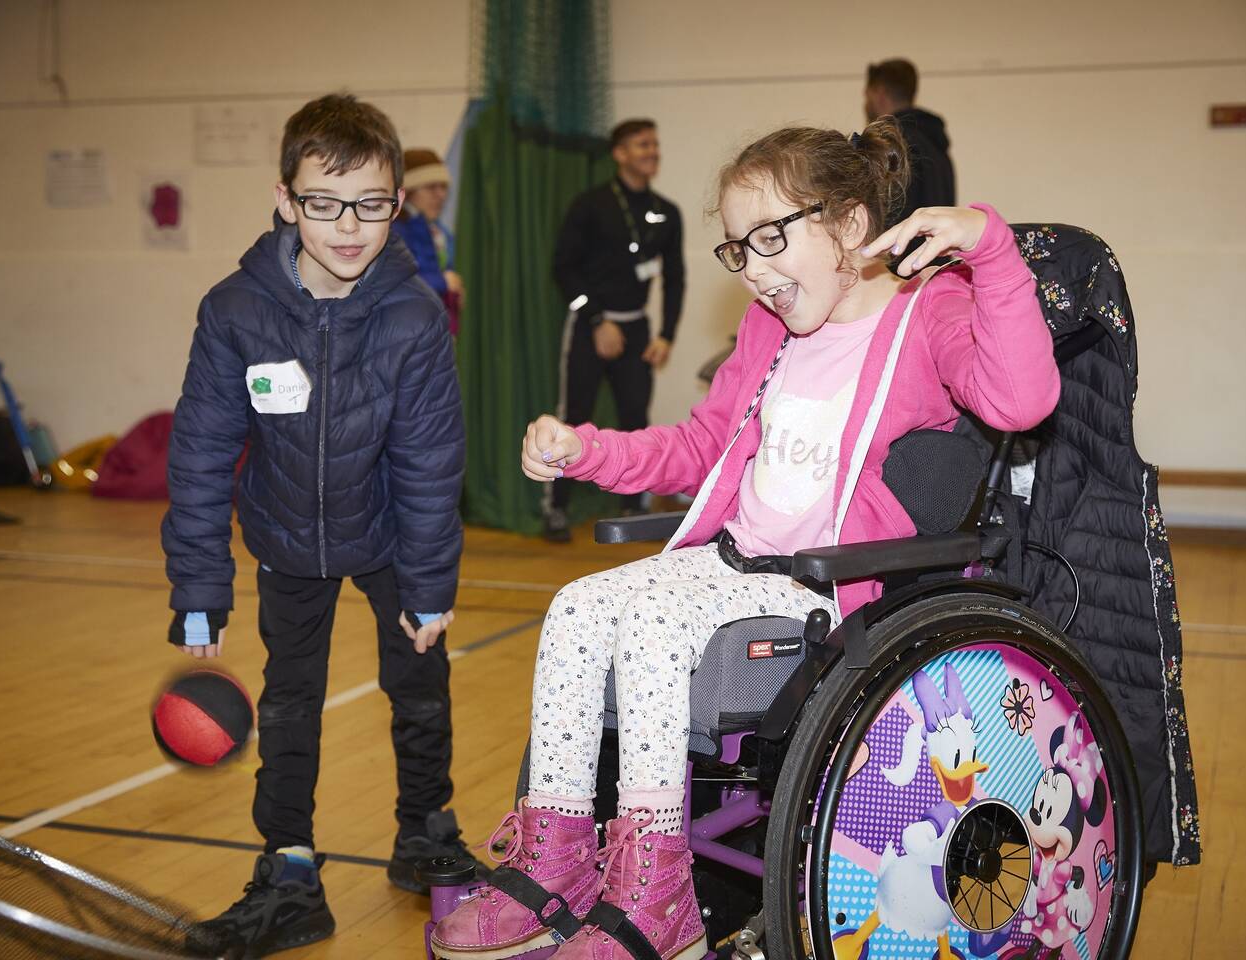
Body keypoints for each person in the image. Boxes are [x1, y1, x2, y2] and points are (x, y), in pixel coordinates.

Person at [429, 118, 1060, 960]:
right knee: (577, 605)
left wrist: (990, 245)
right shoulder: (770, 333)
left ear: (850, 225)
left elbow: (1021, 403)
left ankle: (658, 893)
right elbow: (700, 445)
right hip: (734, 565)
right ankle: (559, 864)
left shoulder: (928, 313)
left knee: (650, 624)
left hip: (822, 588)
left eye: (771, 239)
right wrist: (591, 449)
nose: (757, 272)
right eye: (739, 250)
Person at [160, 93, 477, 957]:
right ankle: (290, 870)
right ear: (286, 198)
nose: (348, 226)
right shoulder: (234, 311)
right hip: (285, 539)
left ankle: (425, 835)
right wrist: (198, 587)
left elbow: (429, 462)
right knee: (291, 703)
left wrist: (429, 586)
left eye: (371, 205)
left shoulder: (414, 318)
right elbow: (198, 454)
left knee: (418, 687)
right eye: (325, 203)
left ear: (396, 205)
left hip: (388, 537)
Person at [545, 118, 685, 542]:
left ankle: (632, 507)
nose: (652, 152)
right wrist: (596, 321)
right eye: (642, 145)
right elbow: (563, 269)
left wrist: (666, 335)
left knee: (635, 420)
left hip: (638, 330)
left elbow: (675, 278)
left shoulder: (666, 212)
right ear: (620, 153)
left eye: (655, 144)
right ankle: (557, 508)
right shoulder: (590, 205)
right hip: (592, 327)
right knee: (575, 419)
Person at [865, 58, 956, 216]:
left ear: (879, 93)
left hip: (899, 240)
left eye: (867, 96)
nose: (865, 104)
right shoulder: (937, 146)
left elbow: (888, 214)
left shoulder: (891, 143)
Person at [392, 147, 463, 336]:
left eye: (443, 186)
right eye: (431, 187)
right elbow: (395, 282)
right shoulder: (395, 231)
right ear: (409, 191)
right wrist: (443, 281)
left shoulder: (440, 232)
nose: (441, 195)